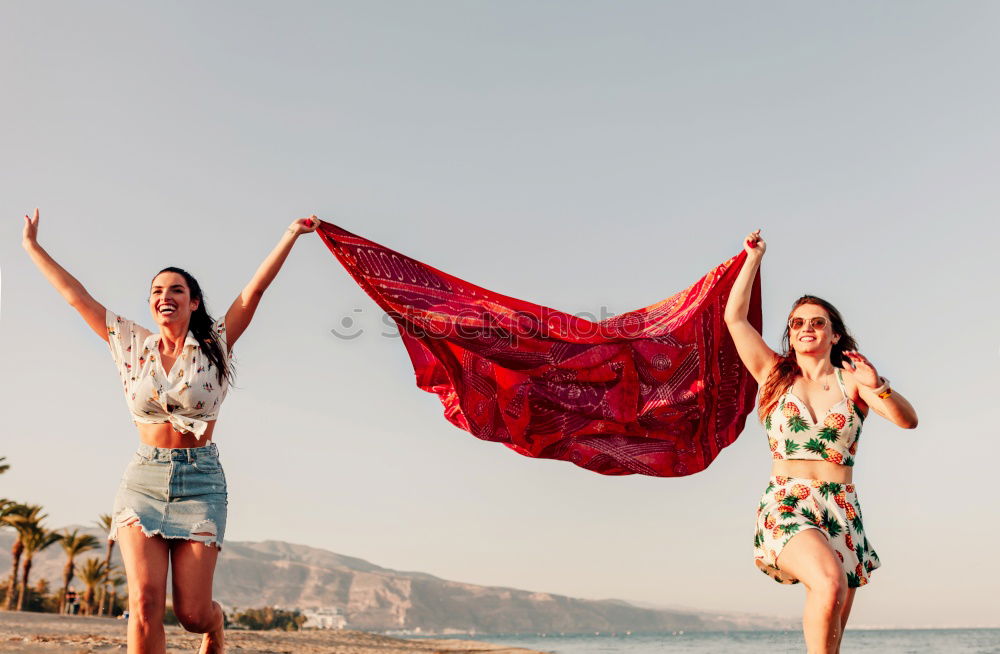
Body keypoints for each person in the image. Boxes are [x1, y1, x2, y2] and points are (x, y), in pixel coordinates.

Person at [21, 209, 319, 654]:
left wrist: (291, 234)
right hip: (143, 479)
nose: (166, 296)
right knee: (143, 603)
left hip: (200, 482)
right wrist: (32, 247)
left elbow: (254, 291)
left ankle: (215, 626)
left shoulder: (215, 344)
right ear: (150, 304)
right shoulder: (129, 343)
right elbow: (75, 296)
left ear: (193, 302)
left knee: (192, 615)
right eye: (157, 291)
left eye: (176, 289)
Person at [725, 230, 918, 654]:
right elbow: (735, 319)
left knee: (833, 623)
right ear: (791, 335)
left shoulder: (854, 381)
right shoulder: (773, 374)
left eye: (818, 322)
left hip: (841, 508)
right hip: (787, 502)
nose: (806, 328)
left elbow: (908, 421)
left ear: (834, 335)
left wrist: (879, 386)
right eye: (797, 323)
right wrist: (752, 259)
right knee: (828, 581)